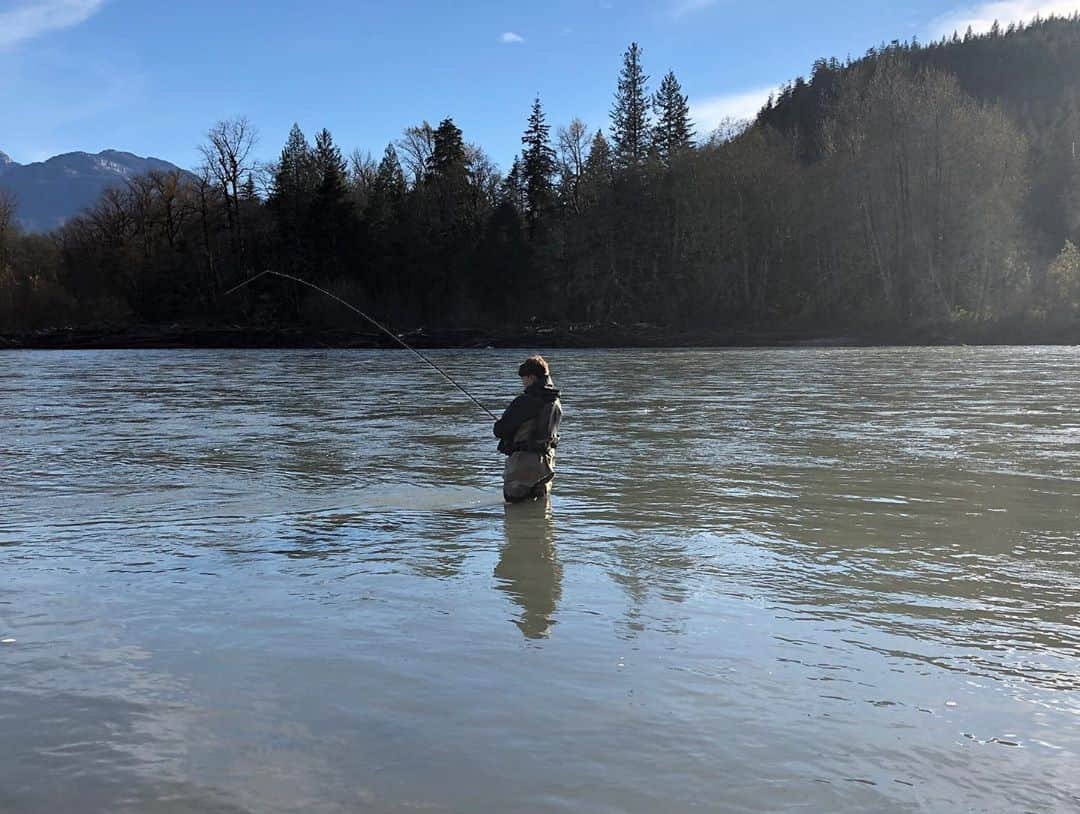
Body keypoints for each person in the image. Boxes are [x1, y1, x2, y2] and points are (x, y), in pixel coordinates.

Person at [493, 355, 562, 503]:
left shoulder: (526, 400)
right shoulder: (555, 401)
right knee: (541, 511)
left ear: (532, 378)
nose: (523, 383)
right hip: (547, 463)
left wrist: (499, 424)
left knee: (514, 510)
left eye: (523, 378)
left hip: (523, 463)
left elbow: (500, 430)